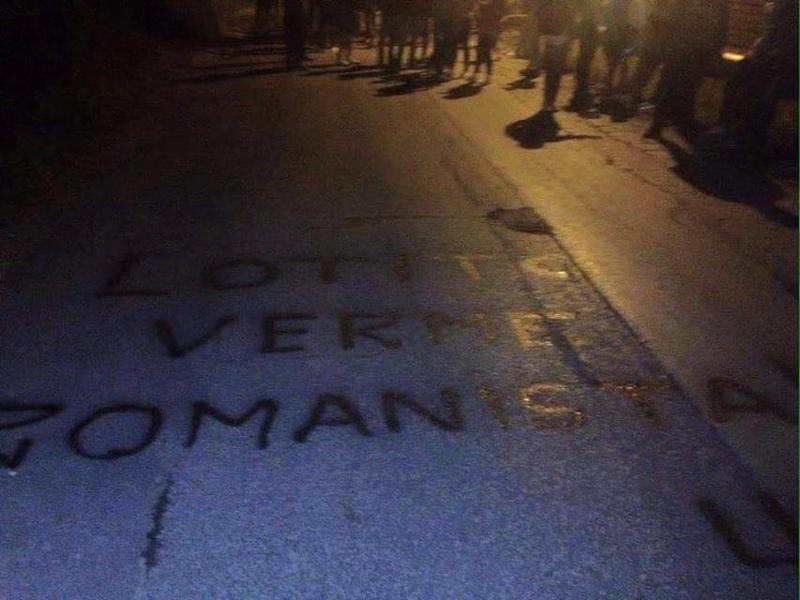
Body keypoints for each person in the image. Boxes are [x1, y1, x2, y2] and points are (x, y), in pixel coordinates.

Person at [644, 0, 727, 141]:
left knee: (686, 88)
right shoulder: (687, 4)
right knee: (668, 87)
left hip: (696, 53)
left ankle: (678, 123)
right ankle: (660, 123)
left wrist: (715, 52)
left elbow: (720, 31)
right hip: (681, 50)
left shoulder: (716, 5)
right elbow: (669, 23)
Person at [471, 0, 506, 84]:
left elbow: (481, 9)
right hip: (490, 33)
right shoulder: (496, 7)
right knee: (484, 54)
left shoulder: (490, 7)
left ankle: (481, 76)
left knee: (483, 54)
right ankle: (484, 76)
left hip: (487, 33)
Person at [284, 0, 307, 70]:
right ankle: (296, 61)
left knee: (293, 40)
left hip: (292, 19)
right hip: (295, 19)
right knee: (296, 40)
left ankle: (292, 60)